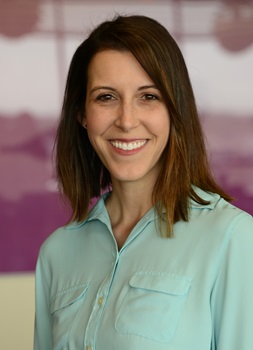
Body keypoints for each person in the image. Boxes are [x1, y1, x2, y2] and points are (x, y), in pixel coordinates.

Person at [34, 15, 253, 350]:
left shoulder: (231, 238)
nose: (127, 120)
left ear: (174, 108)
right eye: (106, 97)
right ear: (82, 114)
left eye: (148, 96)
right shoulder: (57, 254)